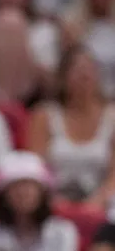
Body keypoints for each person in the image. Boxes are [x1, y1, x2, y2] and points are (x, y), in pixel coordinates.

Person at [27, 45, 115, 207]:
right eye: (78, 71)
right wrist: (54, 201)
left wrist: (97, 202)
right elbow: (36, 169)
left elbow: (113, 176)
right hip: (53, 203)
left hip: (102, 205)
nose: (84, 76)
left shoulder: (112, 117)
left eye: (89, 70)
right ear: (63, 77)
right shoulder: (44, 115)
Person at [0, 151, 79, 251]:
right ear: (3, 196)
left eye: (29, 187)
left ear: (43, 194)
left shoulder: (62, 232)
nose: (23, 193)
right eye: (15, 187)